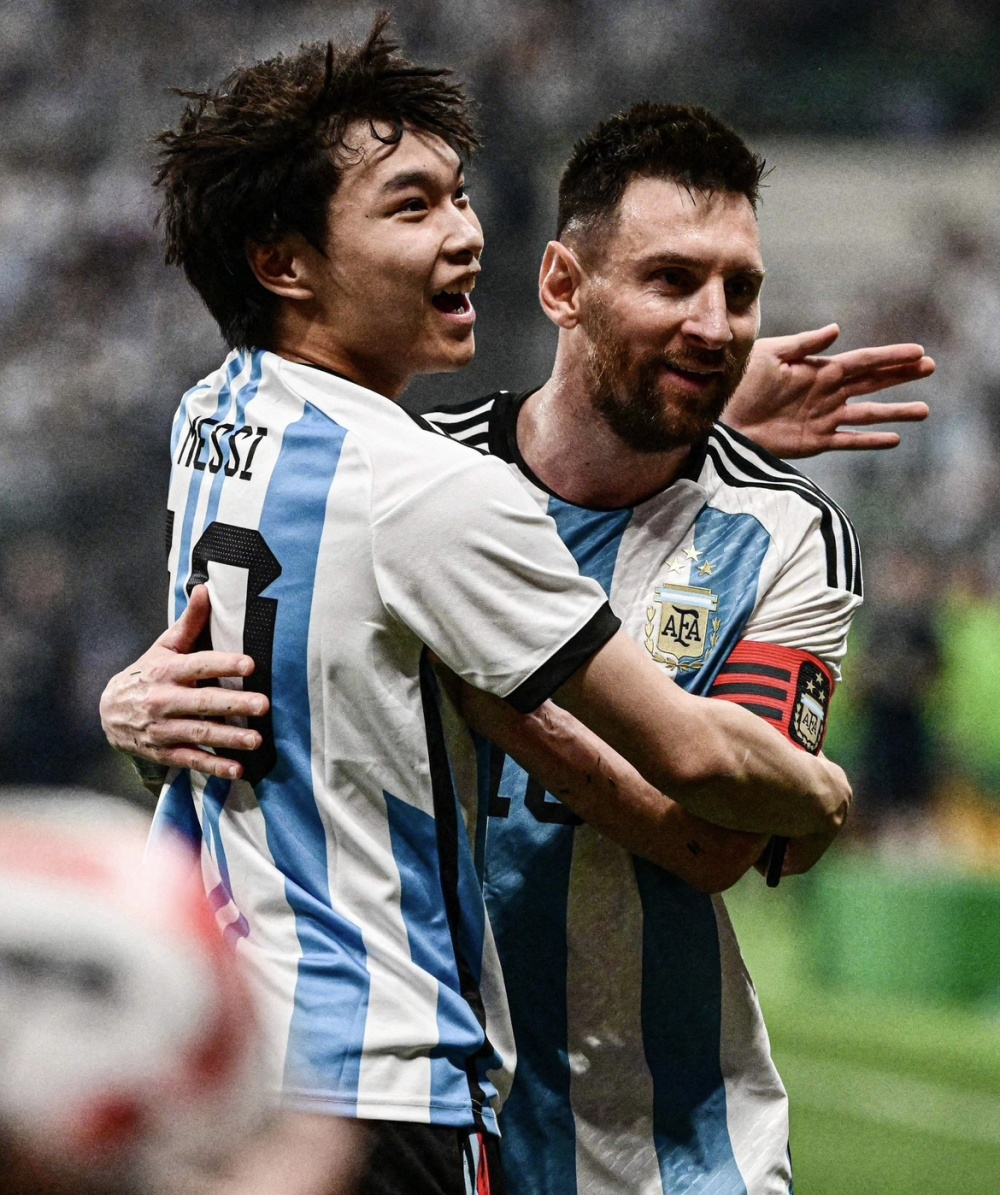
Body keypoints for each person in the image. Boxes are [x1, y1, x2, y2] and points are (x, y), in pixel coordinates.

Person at [100, 22, 861, 1195]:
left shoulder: (219, 413)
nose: (714, 325)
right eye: (671, 283)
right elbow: (712, 768)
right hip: (420, 1079)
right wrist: (133, 704)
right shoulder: (437, 480)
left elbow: (713, 841)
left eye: (738, 292)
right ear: (563, 287)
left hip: (664, 1140)